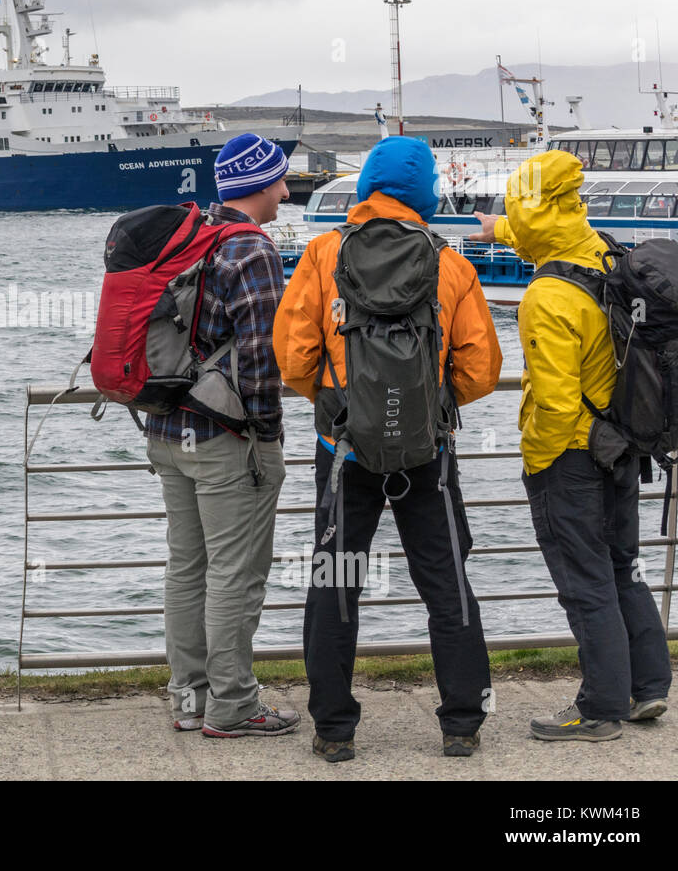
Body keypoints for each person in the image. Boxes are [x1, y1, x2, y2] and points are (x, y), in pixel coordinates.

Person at [274, 136, 502, 761]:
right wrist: (428, 406)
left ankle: (335, 730)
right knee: (447, 581)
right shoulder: (449, 263)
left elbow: (293, 357)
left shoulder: (323, 254)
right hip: (427, 453)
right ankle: (461, 723)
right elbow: (481, 369)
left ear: (367, 185)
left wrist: (341, 405)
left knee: (335, 581)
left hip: (344, 450)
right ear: (424, 189)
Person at [470, 150, 673, 741]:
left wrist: (537, 463)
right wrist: (499, 230)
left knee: (584, 581)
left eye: (511, 207)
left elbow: (556, 403)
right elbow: (545, 229)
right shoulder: (602, 249)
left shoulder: (547, 297)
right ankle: (647, 687)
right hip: (624, 442)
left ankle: (600, 707)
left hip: (575, 456)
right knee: (621, 569)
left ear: (530, 207)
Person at [144, 133, 299, 739]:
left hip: (166, 431)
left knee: (187, 568)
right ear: (259, 184)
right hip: (225, 440)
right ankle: (233, 706)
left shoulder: (192, 237)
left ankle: (190, 697)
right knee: (235, 573)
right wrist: (265, 435)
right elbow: (263, 357)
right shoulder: (252, 251)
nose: (287, 192)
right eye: (281, 181)